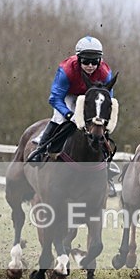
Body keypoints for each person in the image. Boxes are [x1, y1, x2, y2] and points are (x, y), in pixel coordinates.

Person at [26, 35, 120, 194]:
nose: (90, 66)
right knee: (60, 118)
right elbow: (55, 98)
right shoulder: (66, 70)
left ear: (100, 61)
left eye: (94, 62)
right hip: (68, 96)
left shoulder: (105, 72)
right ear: (78, 58)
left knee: (99, 125)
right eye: (86, 61)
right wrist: (69, 115)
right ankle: (41, 149)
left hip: (91, 98)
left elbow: (107, 97)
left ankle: (107, 165)